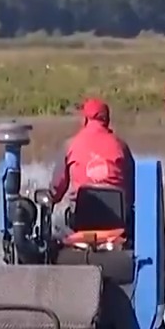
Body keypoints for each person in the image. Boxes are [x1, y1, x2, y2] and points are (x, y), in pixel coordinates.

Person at [47, 97, 135, 238]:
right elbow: (132, 190)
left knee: (57, 223)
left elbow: (57, 190)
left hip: (81, 221)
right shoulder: (121, 147)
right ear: (107, 120)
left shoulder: (71, 145)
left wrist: (50, 198)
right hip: (117, 221)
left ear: (85, 120)